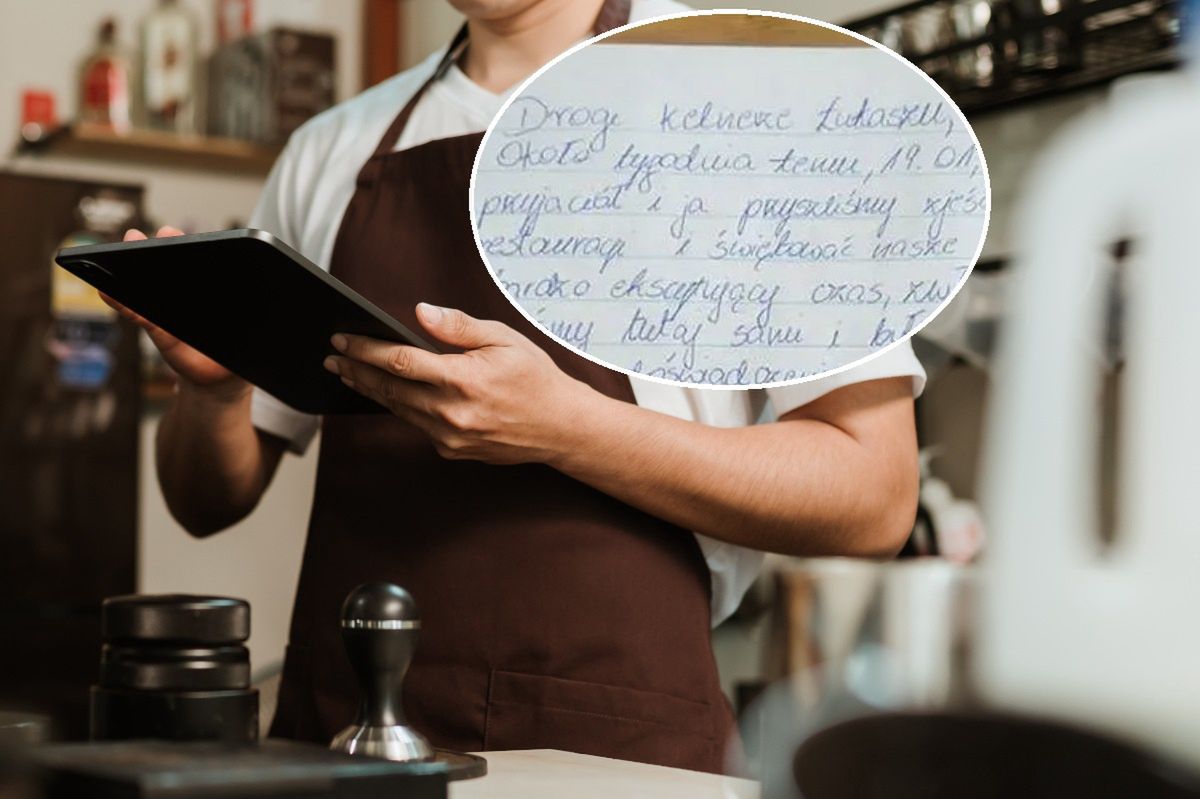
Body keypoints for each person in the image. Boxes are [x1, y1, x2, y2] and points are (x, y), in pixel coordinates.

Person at [115, 0, 924, 774]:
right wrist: (214, 393)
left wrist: (570, 429)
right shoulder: (333, 149)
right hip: (345, 737)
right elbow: (203, 499)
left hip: (613, 750)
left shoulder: (756, 103)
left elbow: (875, 495)